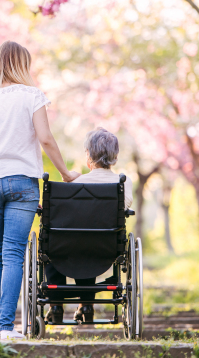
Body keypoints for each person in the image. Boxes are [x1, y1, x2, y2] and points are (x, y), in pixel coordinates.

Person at [0, 41, 79, 341]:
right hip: (21, 182)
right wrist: (66, 172)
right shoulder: (32, 95)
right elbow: (45, 138)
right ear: (22, 65)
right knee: (12, 255)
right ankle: (7, 327)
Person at [45, 127, 133, 324]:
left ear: (88, 156)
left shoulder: (73, 184)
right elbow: (125, 205)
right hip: (105, 248)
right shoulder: (123, 184)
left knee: (58, 242)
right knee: (89, 242)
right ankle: (86, 305)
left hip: (67, 248)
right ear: (115, 157)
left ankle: (56, 305)